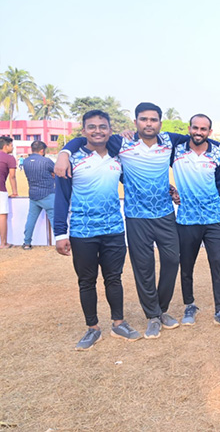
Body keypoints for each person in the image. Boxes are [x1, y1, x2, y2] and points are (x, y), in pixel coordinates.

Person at [55, 102, 220, 339]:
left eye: (153, 120)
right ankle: (153, 316)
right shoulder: (121, 142)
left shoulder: (169, 140)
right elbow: (87, 138)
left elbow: (200, 137)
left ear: (160, 123)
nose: (149, 124)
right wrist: (64, 153)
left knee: (172, 261)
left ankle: (162, 308)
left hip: (165, 215)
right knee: (144, 267)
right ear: (135, 122)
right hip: (136, 217)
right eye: (144, 119)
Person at [54, 110, 141, 350]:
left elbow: (136, 180)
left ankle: (119, 323)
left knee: (114, 278)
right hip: (82, 232)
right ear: (83, 131)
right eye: (91, 127)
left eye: (102, 127)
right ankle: (92, 328)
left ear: (110, 130)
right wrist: (60, 234)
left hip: (113, 229)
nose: (97, 131)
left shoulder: (118, 158)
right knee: (87, 281)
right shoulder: (71, 160)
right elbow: (61, 199)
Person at [173, 114, 220, 331]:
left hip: (213, 218)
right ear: (189, 128)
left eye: (203, 129)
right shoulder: (176, 150)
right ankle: (189, 305)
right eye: (195, 128)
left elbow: (219, 182)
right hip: (186, 219)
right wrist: (171, 190)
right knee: (186, 265)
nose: (198, 132)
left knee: (218, 263)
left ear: (210, 132)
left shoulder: (218, 153)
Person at [22, 141, 55, 250]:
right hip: (48, 193)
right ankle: (60, 242)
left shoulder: (26, 161)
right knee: (54, 219)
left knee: (31, 219)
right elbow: (57, 172)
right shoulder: (46, 161)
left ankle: (27, 243)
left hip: (33, 194)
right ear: (42, 150)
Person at [0, 136, 18, 249]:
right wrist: (15, 191)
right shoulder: (10, 158)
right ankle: (3, 243)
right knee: (2, 216)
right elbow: (12, 177)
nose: (13, 147)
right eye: (11, 145)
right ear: (6, 146)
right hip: (1, 189)